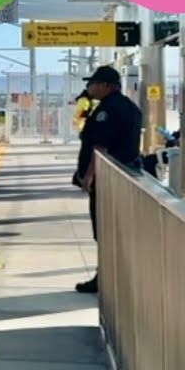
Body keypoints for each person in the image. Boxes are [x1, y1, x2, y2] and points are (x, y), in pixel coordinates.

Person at [74, 65, 144, 294]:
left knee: (103, 230)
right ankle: (112, 276)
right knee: (116, 230)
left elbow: (100, 147)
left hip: (107, 181)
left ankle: (104, 278)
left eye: (92, 83)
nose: (89, 87)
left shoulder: (107, 110)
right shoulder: (131, 108)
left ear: (105, 85)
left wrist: (89, 176)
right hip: (126, 178)